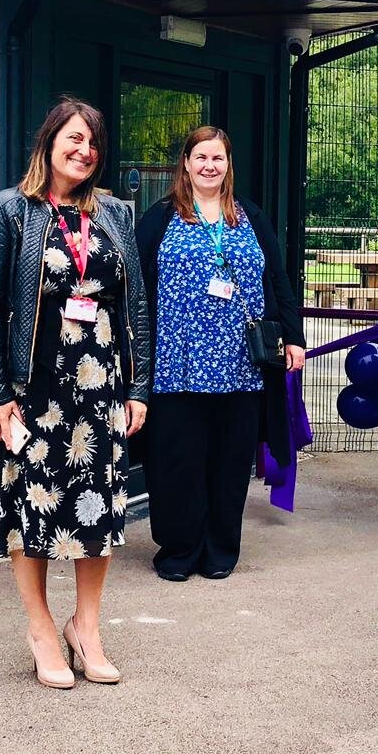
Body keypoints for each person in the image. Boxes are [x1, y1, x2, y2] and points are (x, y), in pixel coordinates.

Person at [0, 97, 152, 688]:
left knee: (97, 511)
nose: (84, 150)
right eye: (74, 138)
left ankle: (87, 627)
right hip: (33, 390)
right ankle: (42, 629)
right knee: (32, 512)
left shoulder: (116, 215)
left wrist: (139, 387)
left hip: (101, 387)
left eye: (93, 142)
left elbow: (137, 308)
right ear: (49, 142)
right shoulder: (11, 210)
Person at [136, 126, 306, 581]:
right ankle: (179, 549)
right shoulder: (159, 219)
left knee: (229, 464)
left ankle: (220, 550)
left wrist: (293, 335)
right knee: (177, 463)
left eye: (218, 158)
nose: (210, 166)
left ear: (228, 165)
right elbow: (135, 291)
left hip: (241, 365)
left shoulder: (249, 216)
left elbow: (279, 279)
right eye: (201, 157)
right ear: (186, 163)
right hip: (177, 364)